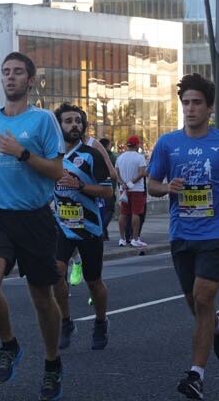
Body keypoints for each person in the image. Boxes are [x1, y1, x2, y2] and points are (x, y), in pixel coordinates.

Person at [147, 74, 219, 401]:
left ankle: (197, 375)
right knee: (194, 302)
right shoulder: (168, 143)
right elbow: (151, 184)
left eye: (197, 103)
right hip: (182, 234)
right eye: (186, 103)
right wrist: (167, 187)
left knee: (204, 297)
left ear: (209, 108)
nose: (190, 109)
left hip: (216, 232)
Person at [0, 51, 65, 401]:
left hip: (36, 217)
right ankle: (9, 343)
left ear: (31, 80)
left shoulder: (43, 121)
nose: (10, 77)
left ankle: (53, 362)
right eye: (5, 72)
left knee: (43, 297)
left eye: (17, 73)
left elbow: (58, 172)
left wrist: (21, 153)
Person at [51, 103, 114, 350]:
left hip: (88, 227)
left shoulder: (91, 155)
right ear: (58, 126)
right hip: (61, 225)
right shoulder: (51, 156)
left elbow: (108, 192)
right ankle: (66, 321)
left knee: (93, 281)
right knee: (56, 272)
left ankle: (100, 322)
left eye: (78, 121)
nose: (74, 125)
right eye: (68, 121)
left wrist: (81, 187)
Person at [115, 135, 149, 247]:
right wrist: (130, 183)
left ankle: (122, 238)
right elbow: (142, 173)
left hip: (123, 189)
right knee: (136, 213)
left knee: (123, 213)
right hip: (137, 189)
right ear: (137, 145)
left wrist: (122, 183)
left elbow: (116, 174)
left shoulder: (120, 158)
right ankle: (135, 238)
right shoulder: (140, 157)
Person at [98, 137, 118, 240]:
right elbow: (116, 172)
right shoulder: (111, 156)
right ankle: (102, 228)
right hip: (108, 186)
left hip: (97, 188)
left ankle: (104, 232)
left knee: (101, 209)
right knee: (110, 209)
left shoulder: (94, 153)